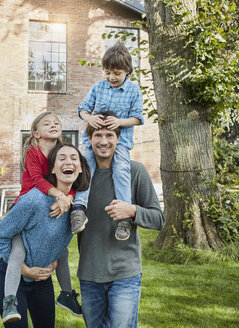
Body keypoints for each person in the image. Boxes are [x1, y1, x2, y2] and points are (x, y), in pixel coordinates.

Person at [77, 111, 165, 328]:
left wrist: (132, 211)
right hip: (89, 274)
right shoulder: (80, 176)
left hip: (125, 274)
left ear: (118, 139)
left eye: (109, 135)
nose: (104, 141)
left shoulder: (135, 172)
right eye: (98, 135)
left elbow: (158, 219)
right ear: (89, 139)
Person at [0, 143, 90, 328]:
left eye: (74, 158)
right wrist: (24, 269)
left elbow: (58, 241)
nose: (68, 161)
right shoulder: (34, 200)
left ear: (81, 169)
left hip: (42, 281)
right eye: (61, 158)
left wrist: (54, 260)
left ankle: (67, 295)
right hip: (14, 276)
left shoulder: (78, 208)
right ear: (52, 168)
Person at [71, 42, 144, 241]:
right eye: (107, 73)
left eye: (117, 73)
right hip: (95, 142)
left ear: (127, 71)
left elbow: (137, 118)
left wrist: (119, 121)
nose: (111, 77)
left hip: (119, 143)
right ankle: (78, 209)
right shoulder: (98, 87)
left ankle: (123, 218)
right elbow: (82, 109)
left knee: (121, 170)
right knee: (84, 165)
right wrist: (89, 118)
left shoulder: (134, 91)